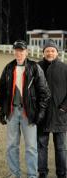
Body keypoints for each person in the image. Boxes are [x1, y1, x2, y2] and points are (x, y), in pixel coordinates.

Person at [0, 40, 51, 178]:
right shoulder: (8, 68)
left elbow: (44, 92)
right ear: (14, 51)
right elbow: (3, 91)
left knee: (31, 147)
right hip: (12, 112)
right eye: (16, 50)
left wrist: (41, 112)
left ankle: (32, 175)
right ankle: (14, 174)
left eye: (21, 50)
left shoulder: (34, 68)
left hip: (29, 113)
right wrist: (2, 110)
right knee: (11, 146)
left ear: (26, 52)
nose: (19, 53)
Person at [37, 39, 67, 178]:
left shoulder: (64, 68)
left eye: (52, 50)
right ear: (43, 52)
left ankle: (62, 173)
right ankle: (42, 172)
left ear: (57, 52)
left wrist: (64, 108)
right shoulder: (36, 67)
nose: (50, 53)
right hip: (42, 115)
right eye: (47, 50)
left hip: (59, 115)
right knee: (41, 147)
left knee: (60, 148)